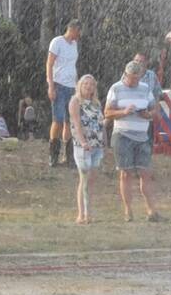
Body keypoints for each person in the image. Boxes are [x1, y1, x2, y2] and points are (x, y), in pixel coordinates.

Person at [105, 60, 163, 222]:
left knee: (146, 173)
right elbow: (107, 112)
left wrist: (149, 115)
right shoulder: (116, 88)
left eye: (137, 79)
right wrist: (123, 111)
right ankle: (128, 211)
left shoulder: (145, 89)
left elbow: (154, 108)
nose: (134, 82)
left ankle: (152, 211)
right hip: (123, 135)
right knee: (126, 174)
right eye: (132, 79)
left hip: (142, 136)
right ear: (125, 74)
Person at [69, 74, 104, 225]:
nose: (88, 87)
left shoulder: (96, 103)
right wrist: (83, 142)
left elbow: (102, 124)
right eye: (85, 84)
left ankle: (89, 213)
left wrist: (105, 144)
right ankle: (81, 214)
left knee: (91, 180)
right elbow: (76, 124)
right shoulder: (75, 101)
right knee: (84, 179)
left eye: (91, 85)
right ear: (80, 86)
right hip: (83, 146)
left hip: (97, 144)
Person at [46, 18, 82, 168]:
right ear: (72, 29)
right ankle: (53, 154)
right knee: (58, 119)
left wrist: (78, 86)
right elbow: (50, 63)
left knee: (70, 121)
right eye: (78, 31)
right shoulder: (57, 42)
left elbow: (72, 66)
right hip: (59, 85)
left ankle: (68, 156)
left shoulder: (74, 45)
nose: (79, 35)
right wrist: (51, 85)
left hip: (71, 86)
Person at [134, 52, 163, 145]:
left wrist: (157, 112)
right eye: (136, 60)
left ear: (146, 63)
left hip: (148, 115)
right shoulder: (128, 75)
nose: (138, 63)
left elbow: (157, 93)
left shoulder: (152, 75)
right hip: (132, 116)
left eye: (141, 61)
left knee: (147, 145)